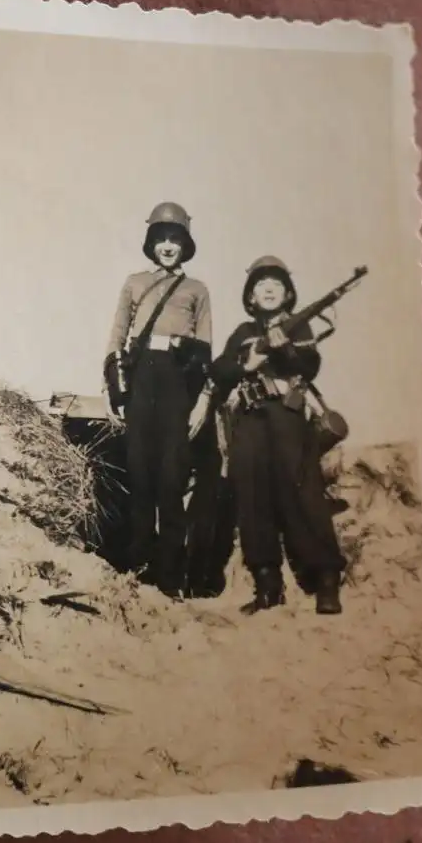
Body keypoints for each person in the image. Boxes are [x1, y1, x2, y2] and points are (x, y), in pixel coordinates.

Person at [208, 255, 346, 614]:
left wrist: (283, 345)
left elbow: (309, 366)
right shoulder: (242, 333)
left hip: (286, 415)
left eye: (276, 284)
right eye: (260, 284)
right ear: (250, 297)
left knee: (304, 492)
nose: (268, 289)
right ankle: (268, 584)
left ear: (288, 294)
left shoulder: (298, 329)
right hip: (250, 420)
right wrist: (245, 364)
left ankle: (326, 581)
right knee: (252, 496)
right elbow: (219, 370)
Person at [103, 202, 212, 599]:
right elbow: (116, 335)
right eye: (161, 239)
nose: (168, 246)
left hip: (177, 383)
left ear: (185, 245)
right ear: (152, 244)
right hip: (141, 376)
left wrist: (201, 400)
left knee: (172, 477)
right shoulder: (135, 282)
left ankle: (170, 577)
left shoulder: (197, 290)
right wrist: (110, 388)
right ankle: (138, 567)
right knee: (140, 474)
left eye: (176, 239)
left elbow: (204, 352)